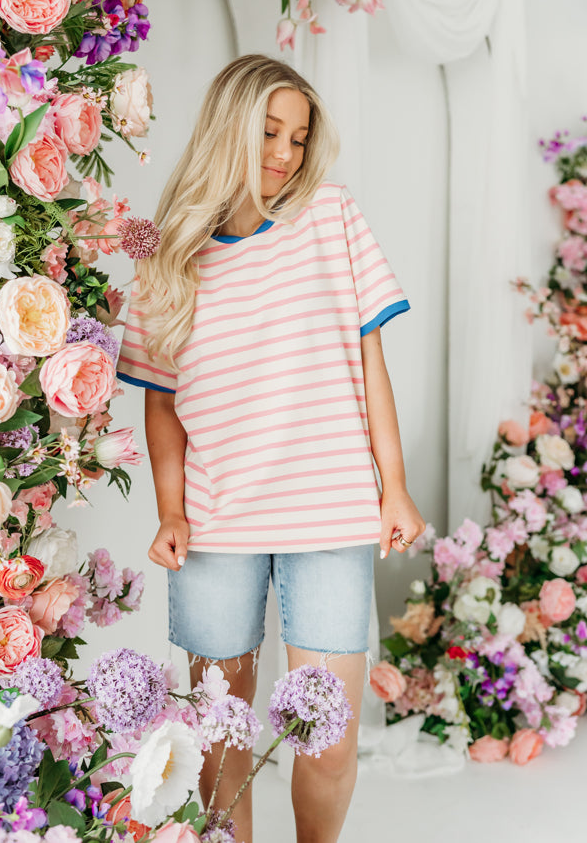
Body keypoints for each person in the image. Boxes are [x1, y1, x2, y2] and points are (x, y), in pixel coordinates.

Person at [117, 54, 425, 843]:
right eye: (269, 132)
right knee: (220, 735)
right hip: (216, 523)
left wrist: (393, 485)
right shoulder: (166, 255)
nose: (286, 153)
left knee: (327, 740)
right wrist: (170, 511)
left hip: (330, 513)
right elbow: (162, 405)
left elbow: (370, 363)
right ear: (229, 129)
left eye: (299, 137)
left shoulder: (331, 217)